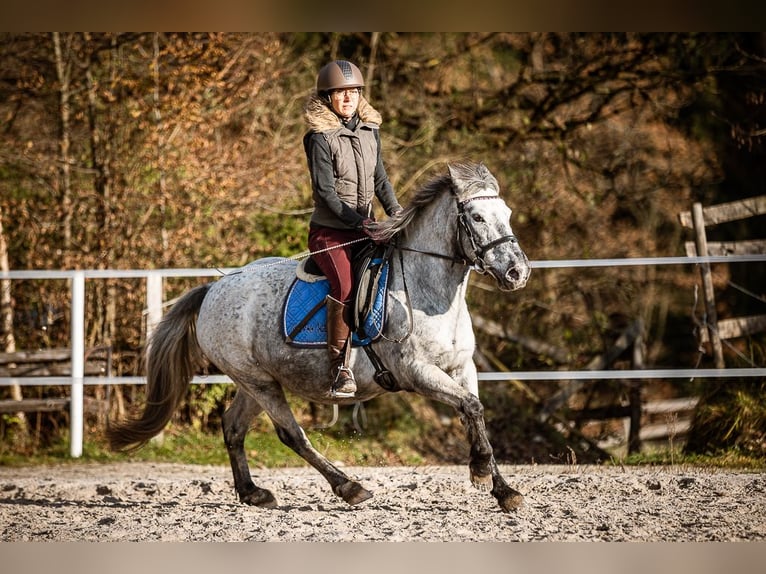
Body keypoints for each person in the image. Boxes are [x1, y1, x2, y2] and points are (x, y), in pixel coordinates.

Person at [303, 59, 403, 397]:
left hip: (365, 227)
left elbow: (380, 179)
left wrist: (397, 212)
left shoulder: (370, 129)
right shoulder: (320, 137)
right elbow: (326, 193)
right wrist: (359, 221)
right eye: (342, 92)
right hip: (330, 232)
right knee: (345, 286)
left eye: (354, 91)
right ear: (329, 96)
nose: (349, 97)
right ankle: (339, 368)